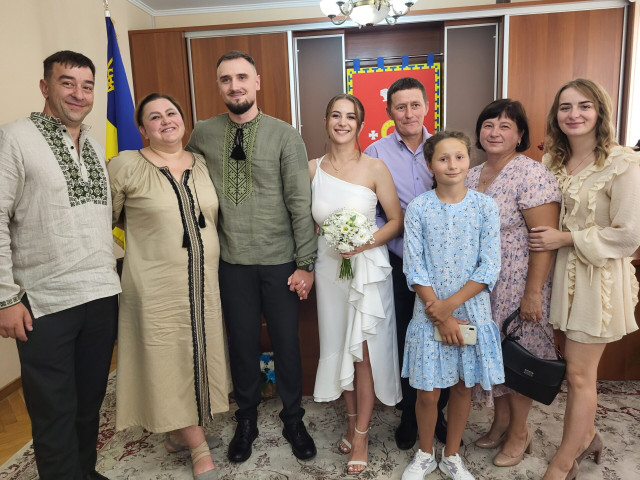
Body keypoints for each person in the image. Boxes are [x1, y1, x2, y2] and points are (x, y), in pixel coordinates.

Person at [186, 50, 317, 464]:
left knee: (287, 344)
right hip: (231, 262)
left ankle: (293, 418)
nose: (235, 85)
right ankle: (247, 419)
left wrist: (305, 263)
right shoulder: (203, 134)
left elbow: (300, 202)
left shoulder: (284, 135)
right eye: (226, 79)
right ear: (219, 86)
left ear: (256, 82)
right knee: (241, 344)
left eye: (242, 77)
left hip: (281, 261)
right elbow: (182, 177)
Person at [0, 51, 121, 480]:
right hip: (44, 302)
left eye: (87, 86)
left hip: (101, 295)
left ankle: (84, 472)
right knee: (54, 411)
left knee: (89, 405)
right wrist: (5, 298)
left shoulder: (93, 145)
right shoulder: (14, 138)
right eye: (67, 82)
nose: (78, 94)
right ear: (45, 86)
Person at [108, 93, 230, 479]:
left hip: (203, 285)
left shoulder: (202, 164)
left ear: (183, 120)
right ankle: (198, 448)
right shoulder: (126, 166)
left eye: (171, 113)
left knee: (198, 355)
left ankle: (179, 434)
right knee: (169, 360)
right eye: (154, 117)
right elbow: (102, 220)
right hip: (155, 286)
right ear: (142, 129)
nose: (165, 121)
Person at [530, 78, 640, 480]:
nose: (574, 114)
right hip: (560, 277)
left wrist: (567, 238)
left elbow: (629, 235)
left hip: (597, 281)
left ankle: (564, 462)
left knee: (579, 375)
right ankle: (588, 436)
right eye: (565, 107)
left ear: (600, 112)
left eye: (584, 106)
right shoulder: (552, 162)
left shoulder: (623, 163)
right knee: (571, 368)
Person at [401, 131, 504, 480]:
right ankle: (425, 453)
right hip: (428, 312)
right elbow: (414, 266)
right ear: (430, 164)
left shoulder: (484, 207)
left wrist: (450, 307)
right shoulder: (419, 208)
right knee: (428, 393)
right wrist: (438, 311)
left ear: (468, 160)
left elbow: (489, 266)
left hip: (471, 311)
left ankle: (452, 455)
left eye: (459, 157)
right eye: (443, 158)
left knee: (462, 387)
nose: (452, 164)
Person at [310, 94, 403, 475]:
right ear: (326, 121)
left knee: (362, 351)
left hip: (366, 270)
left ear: (361, 125)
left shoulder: (375, 167)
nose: (342, 122)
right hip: (329, 270)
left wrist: (362, 243)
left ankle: (362, 434)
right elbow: (306, 220)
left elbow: (395, 221)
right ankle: (350, 422)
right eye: (336, 115)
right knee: (337, 345)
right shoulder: (312, 169)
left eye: (350, 117)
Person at [465, 99, 561, 467]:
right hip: (481, 286)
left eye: (505, 126)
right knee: (494, 357)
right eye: (488, 124)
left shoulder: (532, 174)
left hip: (518, 283)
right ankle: (501, 422)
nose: (495, 132)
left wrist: (533, 293)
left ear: (520, 135)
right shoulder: (471, 174)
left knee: (520, 358)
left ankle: (520, 431)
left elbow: (544, 240)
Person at [364, 77, 450, 450]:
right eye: (400, 107)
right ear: (389, 112)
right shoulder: (376, 153)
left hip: (444, 265)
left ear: (427, 107)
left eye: (415, 105)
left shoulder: (444, 148)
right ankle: (409, 414)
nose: (409, 113)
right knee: (405, 340)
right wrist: (391, 234)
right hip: (399, 263)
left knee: (442, 338)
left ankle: (439, 411)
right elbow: (371, 211)